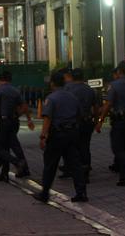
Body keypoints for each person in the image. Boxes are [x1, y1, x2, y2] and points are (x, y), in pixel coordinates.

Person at [32, 72, 88, 203]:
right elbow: (80, 115)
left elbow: (47, 119)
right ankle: (81, 193)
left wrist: (43, 136)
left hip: (57, 135)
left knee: (50, 165)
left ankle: (45, 194)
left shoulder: (51, 98)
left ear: (52, 83)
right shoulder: (72, 97)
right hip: (72, 134)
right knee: (75, 164)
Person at [0, 71, 31, 181]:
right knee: (9, 146)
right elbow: (24, 107)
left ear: (0, 80)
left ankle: (18, 163)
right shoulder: (16, 91)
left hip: (3, 122)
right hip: (14, 121)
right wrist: (28, 119)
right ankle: (3, 172)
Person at [62, 68, 99, 183]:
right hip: (87, 121)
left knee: (73, 148)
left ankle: (75, 171)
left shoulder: (68, 89)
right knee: (85, 147)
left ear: (72, 77)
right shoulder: (89, 89)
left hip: (74, 122)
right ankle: (86, 170)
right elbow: (96, 108)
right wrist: (97, 121)